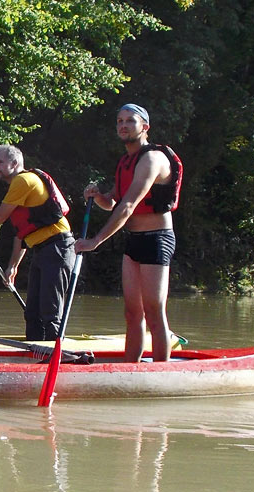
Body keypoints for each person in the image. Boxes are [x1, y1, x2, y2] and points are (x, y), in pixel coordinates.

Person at [74, 104, 183, 362]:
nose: (123, 125)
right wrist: (97, 196)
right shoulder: (126, 161)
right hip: (133, 241)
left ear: (144, 127)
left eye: (130, 121)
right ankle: (130, 368)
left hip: (157, 239)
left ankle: (161, 372)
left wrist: (95, 241)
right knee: (132, 313)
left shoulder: (152, 159)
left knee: (154, 311)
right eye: (119, 121)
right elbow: (113, 202)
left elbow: (129, 206)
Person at [0, 145, 75, 341]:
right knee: (32, 314)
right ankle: (35, 357)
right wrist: (12, 267)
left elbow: (1, 214)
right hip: (43, 250)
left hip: (58, 247)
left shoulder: (23, 180)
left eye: (0, 162)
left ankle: (57, 358)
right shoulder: (18, 188)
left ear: (15, 163)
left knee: (50, 313)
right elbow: (21, 234)